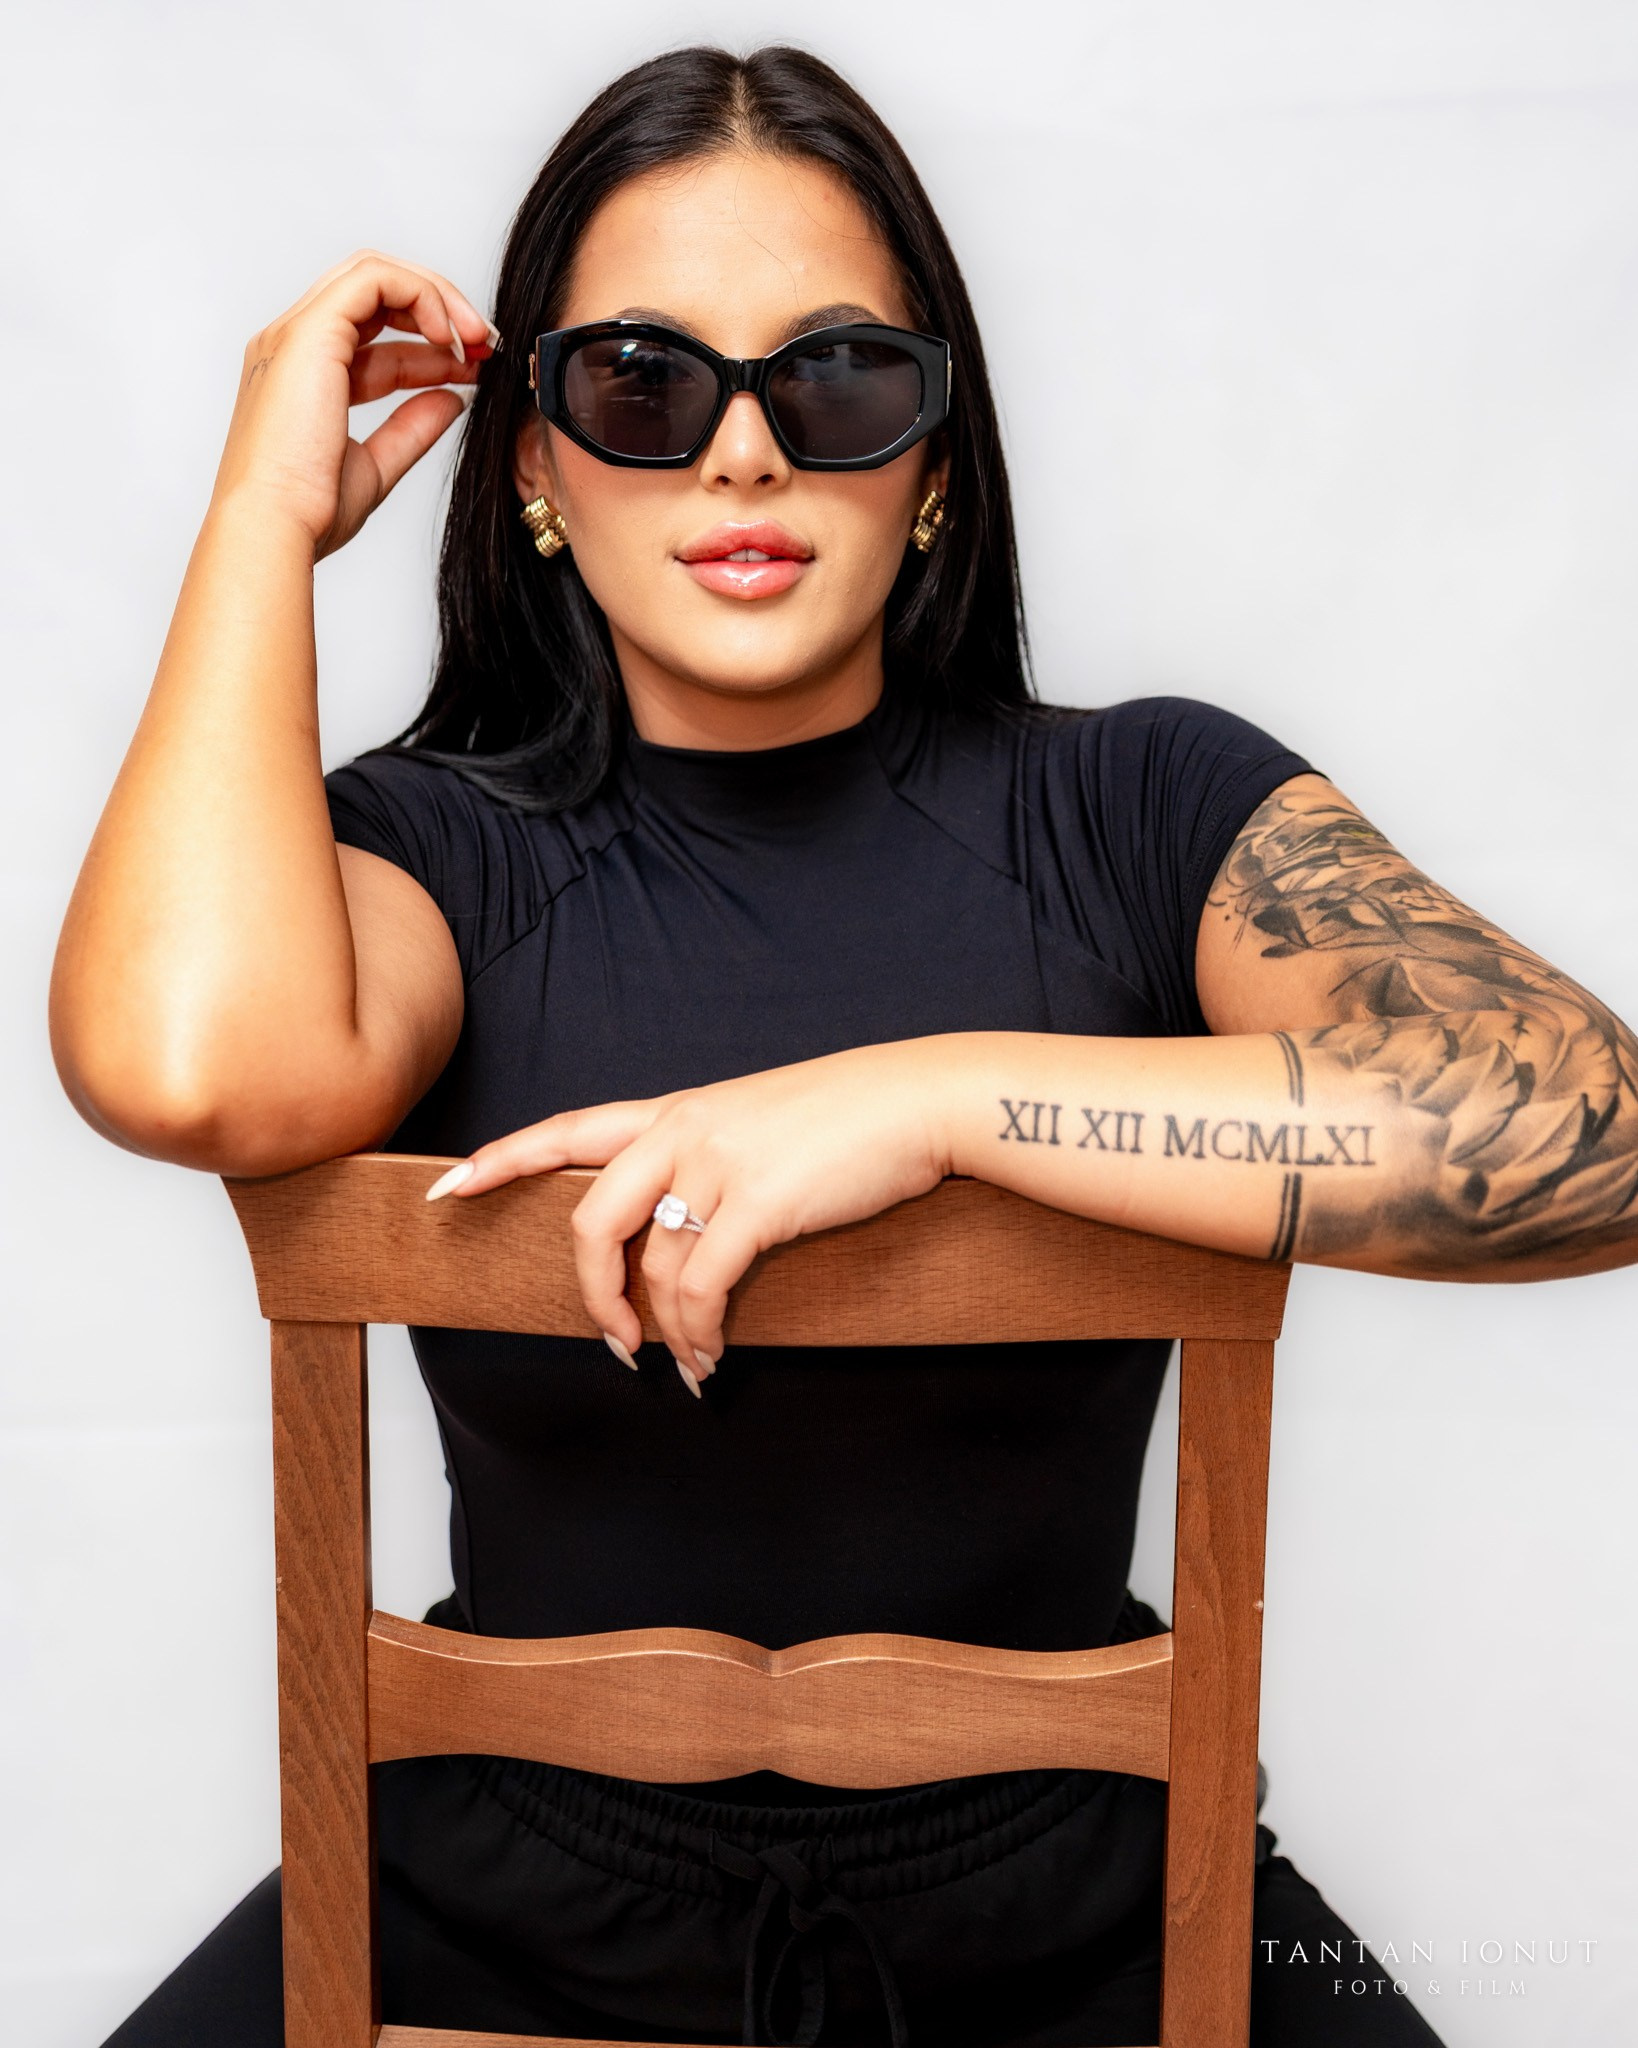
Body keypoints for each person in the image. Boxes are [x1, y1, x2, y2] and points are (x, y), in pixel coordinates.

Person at [50, 42, 1636, 2048]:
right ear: (532, 465)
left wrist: (927, 1101)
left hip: (1090, 1901)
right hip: (484, 1895)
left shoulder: (1140, 809)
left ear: (934, 456)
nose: (742, 454)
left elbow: (1591, 1130)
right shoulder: (438, 855)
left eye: (837, 378)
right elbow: (186, 1067)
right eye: (642, 383)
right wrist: (261, 513)